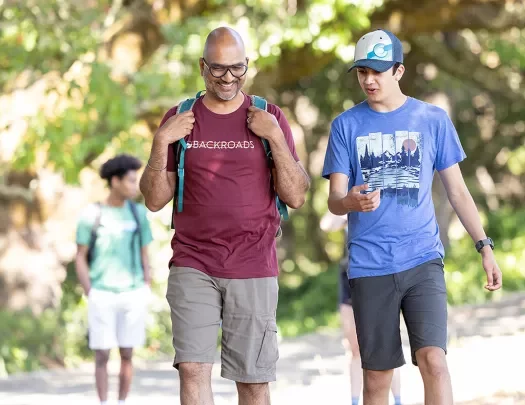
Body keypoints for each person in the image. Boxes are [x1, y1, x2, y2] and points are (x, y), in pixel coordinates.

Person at [322, 29, 502, 405]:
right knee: (377, 379)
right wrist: (349, 203)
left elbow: (458, 192)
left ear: (399, 71)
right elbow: (335, 200)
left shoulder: (431, 119)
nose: (369, 80)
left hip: (422, 259)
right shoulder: (346, 126)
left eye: (378, 71)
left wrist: (484, 246)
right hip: (370, 265)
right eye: (362, 72)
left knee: (434, 360)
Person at [139, 27, 310, 405]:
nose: (228, 78)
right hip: (193, 261)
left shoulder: (269, 116)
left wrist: (276, 138)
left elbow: (296, 195)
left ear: (247, 65)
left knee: (251, 379)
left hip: (253, 263)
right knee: (192, 368)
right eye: (218, 69)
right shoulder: (179, 118)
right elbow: (153, 200)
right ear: (202, 67)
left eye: (237, 69)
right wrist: (160, 142)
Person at [75, 154, 154, 405]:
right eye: (131, 181)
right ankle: (103, 402)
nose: (134, 186)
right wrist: (90, 290)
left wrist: (146, 288)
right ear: (115, 181)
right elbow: (80, 256)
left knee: (128, 352)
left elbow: (145, 255)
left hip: (132, 293)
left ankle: (122, 401)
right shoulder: (92, 214)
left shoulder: (138, 213)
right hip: (102, 293)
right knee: (101, 354)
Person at [320, 211, 402, 405]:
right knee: (354, 348)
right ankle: (355, 401)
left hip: (379, 274)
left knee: (386, 345)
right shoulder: (349, 200)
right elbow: (327, 224)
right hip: (349, 275)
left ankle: (398, 400)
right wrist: (348, 208)